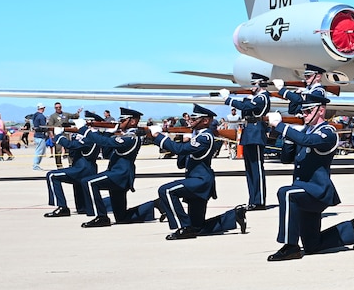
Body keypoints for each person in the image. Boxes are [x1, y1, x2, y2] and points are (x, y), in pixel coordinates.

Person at [265, 90, 354, 261]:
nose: (304, 114)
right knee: (312, 245)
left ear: (321, 110)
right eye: (303, 111)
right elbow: (286, 159)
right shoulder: (305, 131)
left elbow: (308, 142)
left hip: (317, 191)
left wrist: (282, 127)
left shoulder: (328, 132)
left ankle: (290, 246)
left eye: (308, 111)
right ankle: (352, 229)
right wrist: (289, 137)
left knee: (286, 193)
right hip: (302, 190)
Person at [146, 105, 245, 239]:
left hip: (200, 181)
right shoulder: (197, 136)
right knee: (197, 227)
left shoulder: (205, 137)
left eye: (194, 119)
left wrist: (159, 137)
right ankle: (234, 216)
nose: (190, 121)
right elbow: (181, 163)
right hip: (195, 180)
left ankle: (183, 227)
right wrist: (185, 140)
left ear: (205, 121)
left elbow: (179, 150)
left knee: (166, 190)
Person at [80, 108, 146, 227]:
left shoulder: (131, 137)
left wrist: (85, 130)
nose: (120, 122)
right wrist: (108, 132)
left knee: (88, 182)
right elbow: (106, 152)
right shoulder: (125, 135)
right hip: (117, 174)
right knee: (122, 217)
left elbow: (105, 142)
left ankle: (101, 217)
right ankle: (156, 205)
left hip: (120, 174)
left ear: (132, 121)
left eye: (123, 120)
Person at [220, 72, 273, 211]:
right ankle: (253, 199)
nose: (252, 87)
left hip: (256, 132)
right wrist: (245, 99)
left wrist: (228, 99)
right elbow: (246, 109)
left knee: (257, 168)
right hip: (249, 132)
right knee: (250, 169)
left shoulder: (262, 97)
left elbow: (247, 108)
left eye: (254, 84)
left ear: (261, 84)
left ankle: (259, 200)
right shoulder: (255, 98)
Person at [43, 115, 102, 217]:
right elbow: (72, 152)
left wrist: (59, 136)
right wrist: (73, 134)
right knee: (79, 192)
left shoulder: (91, 138)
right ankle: (83, 207)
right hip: (83, 167)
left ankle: (62, 207)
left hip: (83, 168)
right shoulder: (91, 136)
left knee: (52, 175)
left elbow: (70, 146)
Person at [46, 102, 81, 168]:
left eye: (59, 107)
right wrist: (52, 135)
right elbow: (50, 126)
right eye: (57, 107)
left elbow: (74, 116)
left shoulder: (66, 114)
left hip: (66, 133)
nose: (58, 108)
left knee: (69, 149)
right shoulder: (53, 116)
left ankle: (71, 164)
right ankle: (59, 166)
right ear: (55, 108)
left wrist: (78, 112)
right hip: (57, 135)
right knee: (58, 150)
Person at [30, 103, 49, 170]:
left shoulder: (35, 115)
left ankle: (36, 164)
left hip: (36, 135)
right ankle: (36, 165)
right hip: (40, 135)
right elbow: (43, 126)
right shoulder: (41, 116)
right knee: (39, 151)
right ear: (42, 108)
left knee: (40, 150)